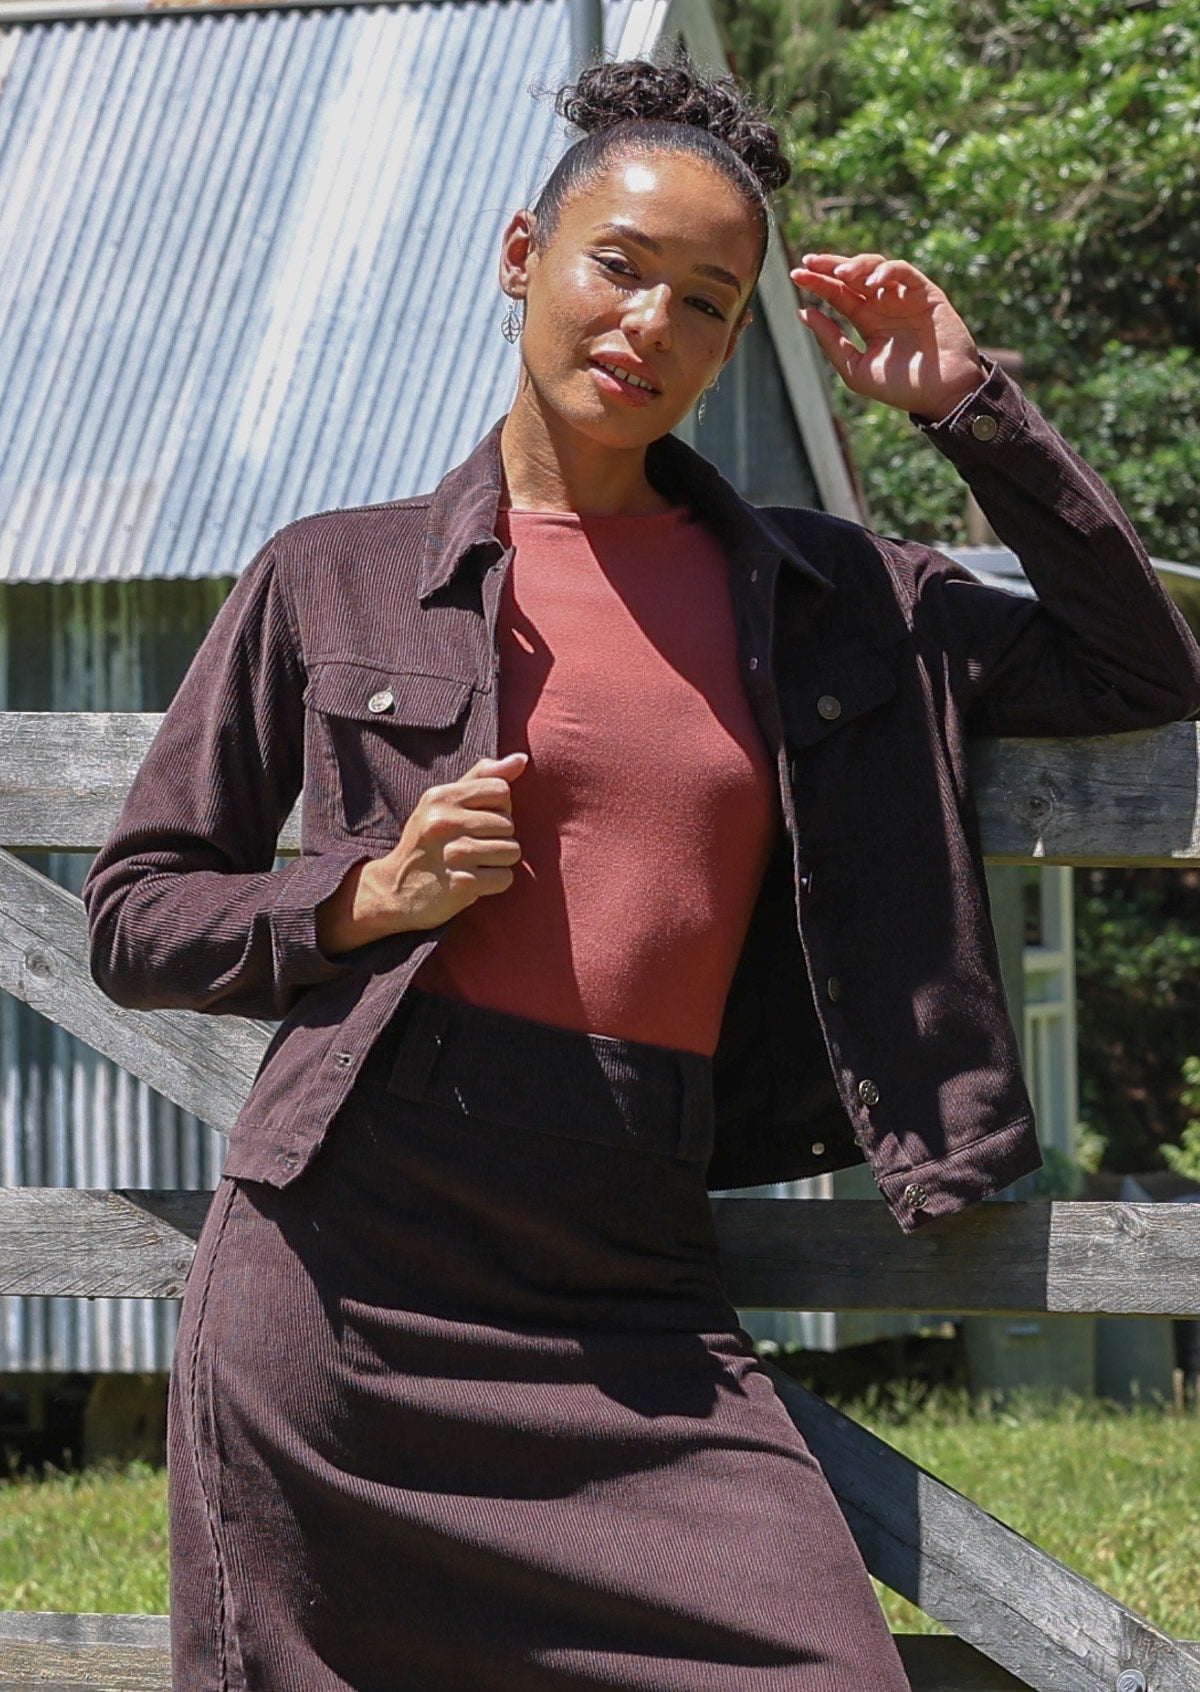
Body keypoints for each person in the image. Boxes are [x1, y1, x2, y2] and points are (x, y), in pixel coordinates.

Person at [81, 51, 1200, 1692]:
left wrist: (971, 405)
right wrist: (353, 897)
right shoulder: (330, 574)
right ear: (523, 253)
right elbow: (134, 912)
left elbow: (1140, 667)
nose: (652, 328)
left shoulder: (838, 596)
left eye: (707, 302)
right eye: (621, 267)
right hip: (349, 1266)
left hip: (634, 1268)